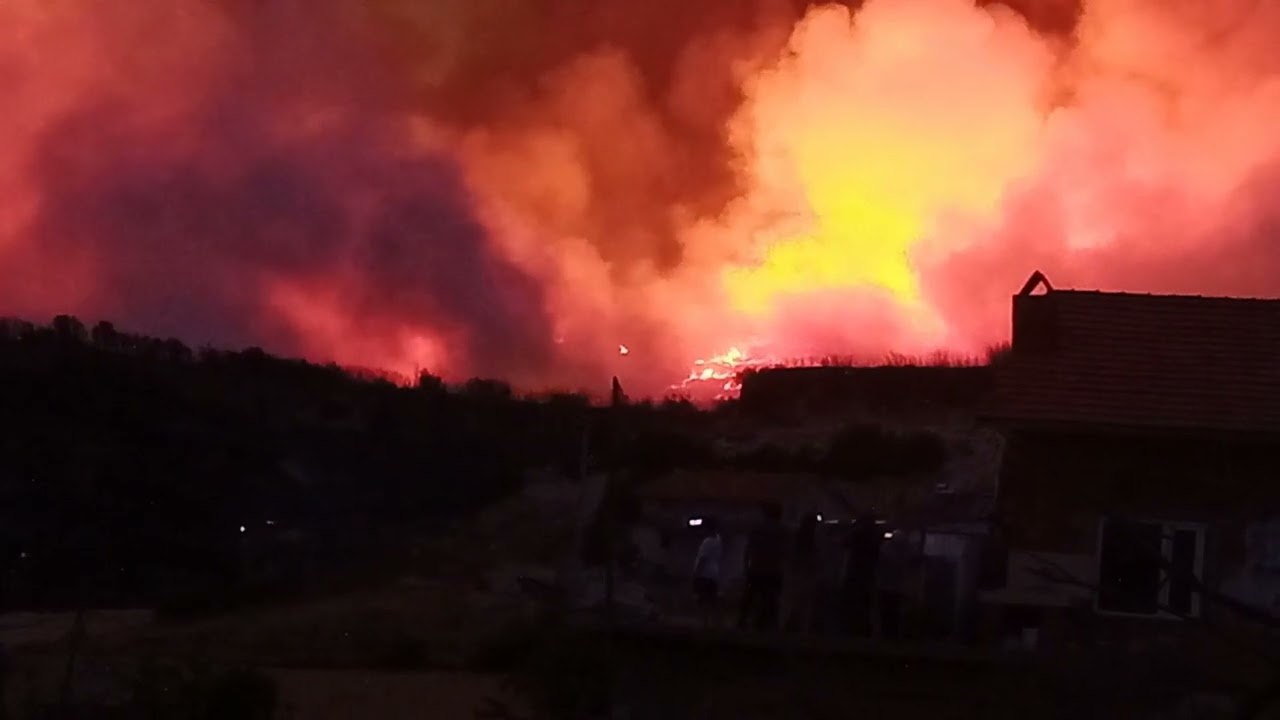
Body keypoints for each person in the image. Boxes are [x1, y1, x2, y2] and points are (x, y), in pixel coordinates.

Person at [738, 502, 785, 631]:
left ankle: (744, 621)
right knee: (770, 599)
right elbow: (785, 552)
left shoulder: (758, 529)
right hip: (772, 570)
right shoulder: (781, 531)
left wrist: (746, 566)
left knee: (751, 597)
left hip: (758, 568)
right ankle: (764, 624)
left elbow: (749, 549)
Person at [841, 514, 883, 637]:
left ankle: (852, 628)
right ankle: (863, 629)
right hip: (867, 573)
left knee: (854, 602)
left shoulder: (857, 534)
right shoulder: (874, 537)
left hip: (855, 572)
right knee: (864, 603)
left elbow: (844, 542)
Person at [782, 513, 820, 633]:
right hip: (804, 574)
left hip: (797, 573)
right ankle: (800, 629)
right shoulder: (813, 539)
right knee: (803, 605)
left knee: (794, 604)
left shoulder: (797, 537)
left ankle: (789, 627)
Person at [692, 517, 724, 627]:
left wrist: (695, 574)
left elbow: (702, 559)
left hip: (704, 575)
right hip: (714, 574)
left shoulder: (707, 542)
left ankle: (704, 624)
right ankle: (715, 624)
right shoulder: (718, 540)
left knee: (703, 602)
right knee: (711, 602)